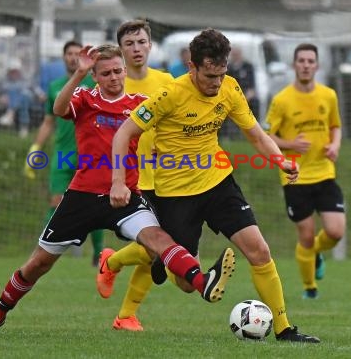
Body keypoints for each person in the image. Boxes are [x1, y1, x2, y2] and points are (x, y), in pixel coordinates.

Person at [0, 44, 235, 335]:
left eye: (117, 71)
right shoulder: (85, 98)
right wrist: (78, 74)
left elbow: (177, 118)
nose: (113, 77)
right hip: (82, 196)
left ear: (125, 71)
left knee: (158, 239)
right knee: (38, 264)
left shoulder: (141, 104)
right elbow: (58, 109)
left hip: (124, 194)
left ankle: (204, 283)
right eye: (106, 73)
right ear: (97, 77)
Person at [109, 29, 320, 343]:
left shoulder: (230, 89)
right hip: (176, 195)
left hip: (218, 183)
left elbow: (257, 136)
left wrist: (281, 161)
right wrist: (117, 181)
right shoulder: (169, 95)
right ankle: (155, 259)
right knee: (184, 284)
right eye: (209, 76)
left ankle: (284, 328)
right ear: (191, 67)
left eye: (221, 75)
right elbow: (123, 134)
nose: (216, 83)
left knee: (259, 250)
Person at [95, 19, 174, 331]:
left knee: (162, 248)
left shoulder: (167, 81)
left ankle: (112, 263)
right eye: (129, 44)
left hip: (167, 177)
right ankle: (125, 313)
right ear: (121, 49)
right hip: (130, 181)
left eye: (141, 42)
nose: (137, 48)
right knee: (158, 247)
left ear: (150, 45)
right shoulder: (115, 84)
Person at [264, 43, 346, 301]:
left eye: (311, 61)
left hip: (324, 172)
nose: (306, 65)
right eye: (301, 61)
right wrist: (290, 145)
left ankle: (316, 254)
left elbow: (336, 126)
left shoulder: (328, 95)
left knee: (335, 231)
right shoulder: (282, 100)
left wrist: (334, 145)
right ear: (294, 65)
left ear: (317, 65)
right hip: (295, 177)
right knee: (307, 235)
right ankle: (310, 288)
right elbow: (267, 136)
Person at [24, 41, 104, 266]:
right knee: (56, 202)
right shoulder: (55, 86)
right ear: (63, 58)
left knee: (95, 205)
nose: (72, 57)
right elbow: (49, 122)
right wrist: (35, 148)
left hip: (91, 156)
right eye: (68, 54)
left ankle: (98, 253)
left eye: (76, 54)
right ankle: (42, 253)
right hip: (63, 155)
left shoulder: (96, 83)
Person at [0, 58, 46, 138]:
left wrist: (41, 95)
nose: (14, 73)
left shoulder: (26, 79)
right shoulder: (4, 81)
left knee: (24, 94)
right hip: (15, 102)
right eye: (12, 71)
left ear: (19, 71)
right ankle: (23, 128)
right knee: (20, 97)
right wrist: (1, 97)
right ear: (8, 71)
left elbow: (36, 89)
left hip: (30, 101)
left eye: (16, 71)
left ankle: (10, 114)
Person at [223, 46, 259, 139]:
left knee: (255, 102)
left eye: (237, 54)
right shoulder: (228, 68)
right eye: (233, 54)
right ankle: (226, 134)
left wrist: (245, 97)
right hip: (231, 96)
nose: (235, 56)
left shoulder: (248, 66)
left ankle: (254, 131)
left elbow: (252, 86)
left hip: (246, 95)